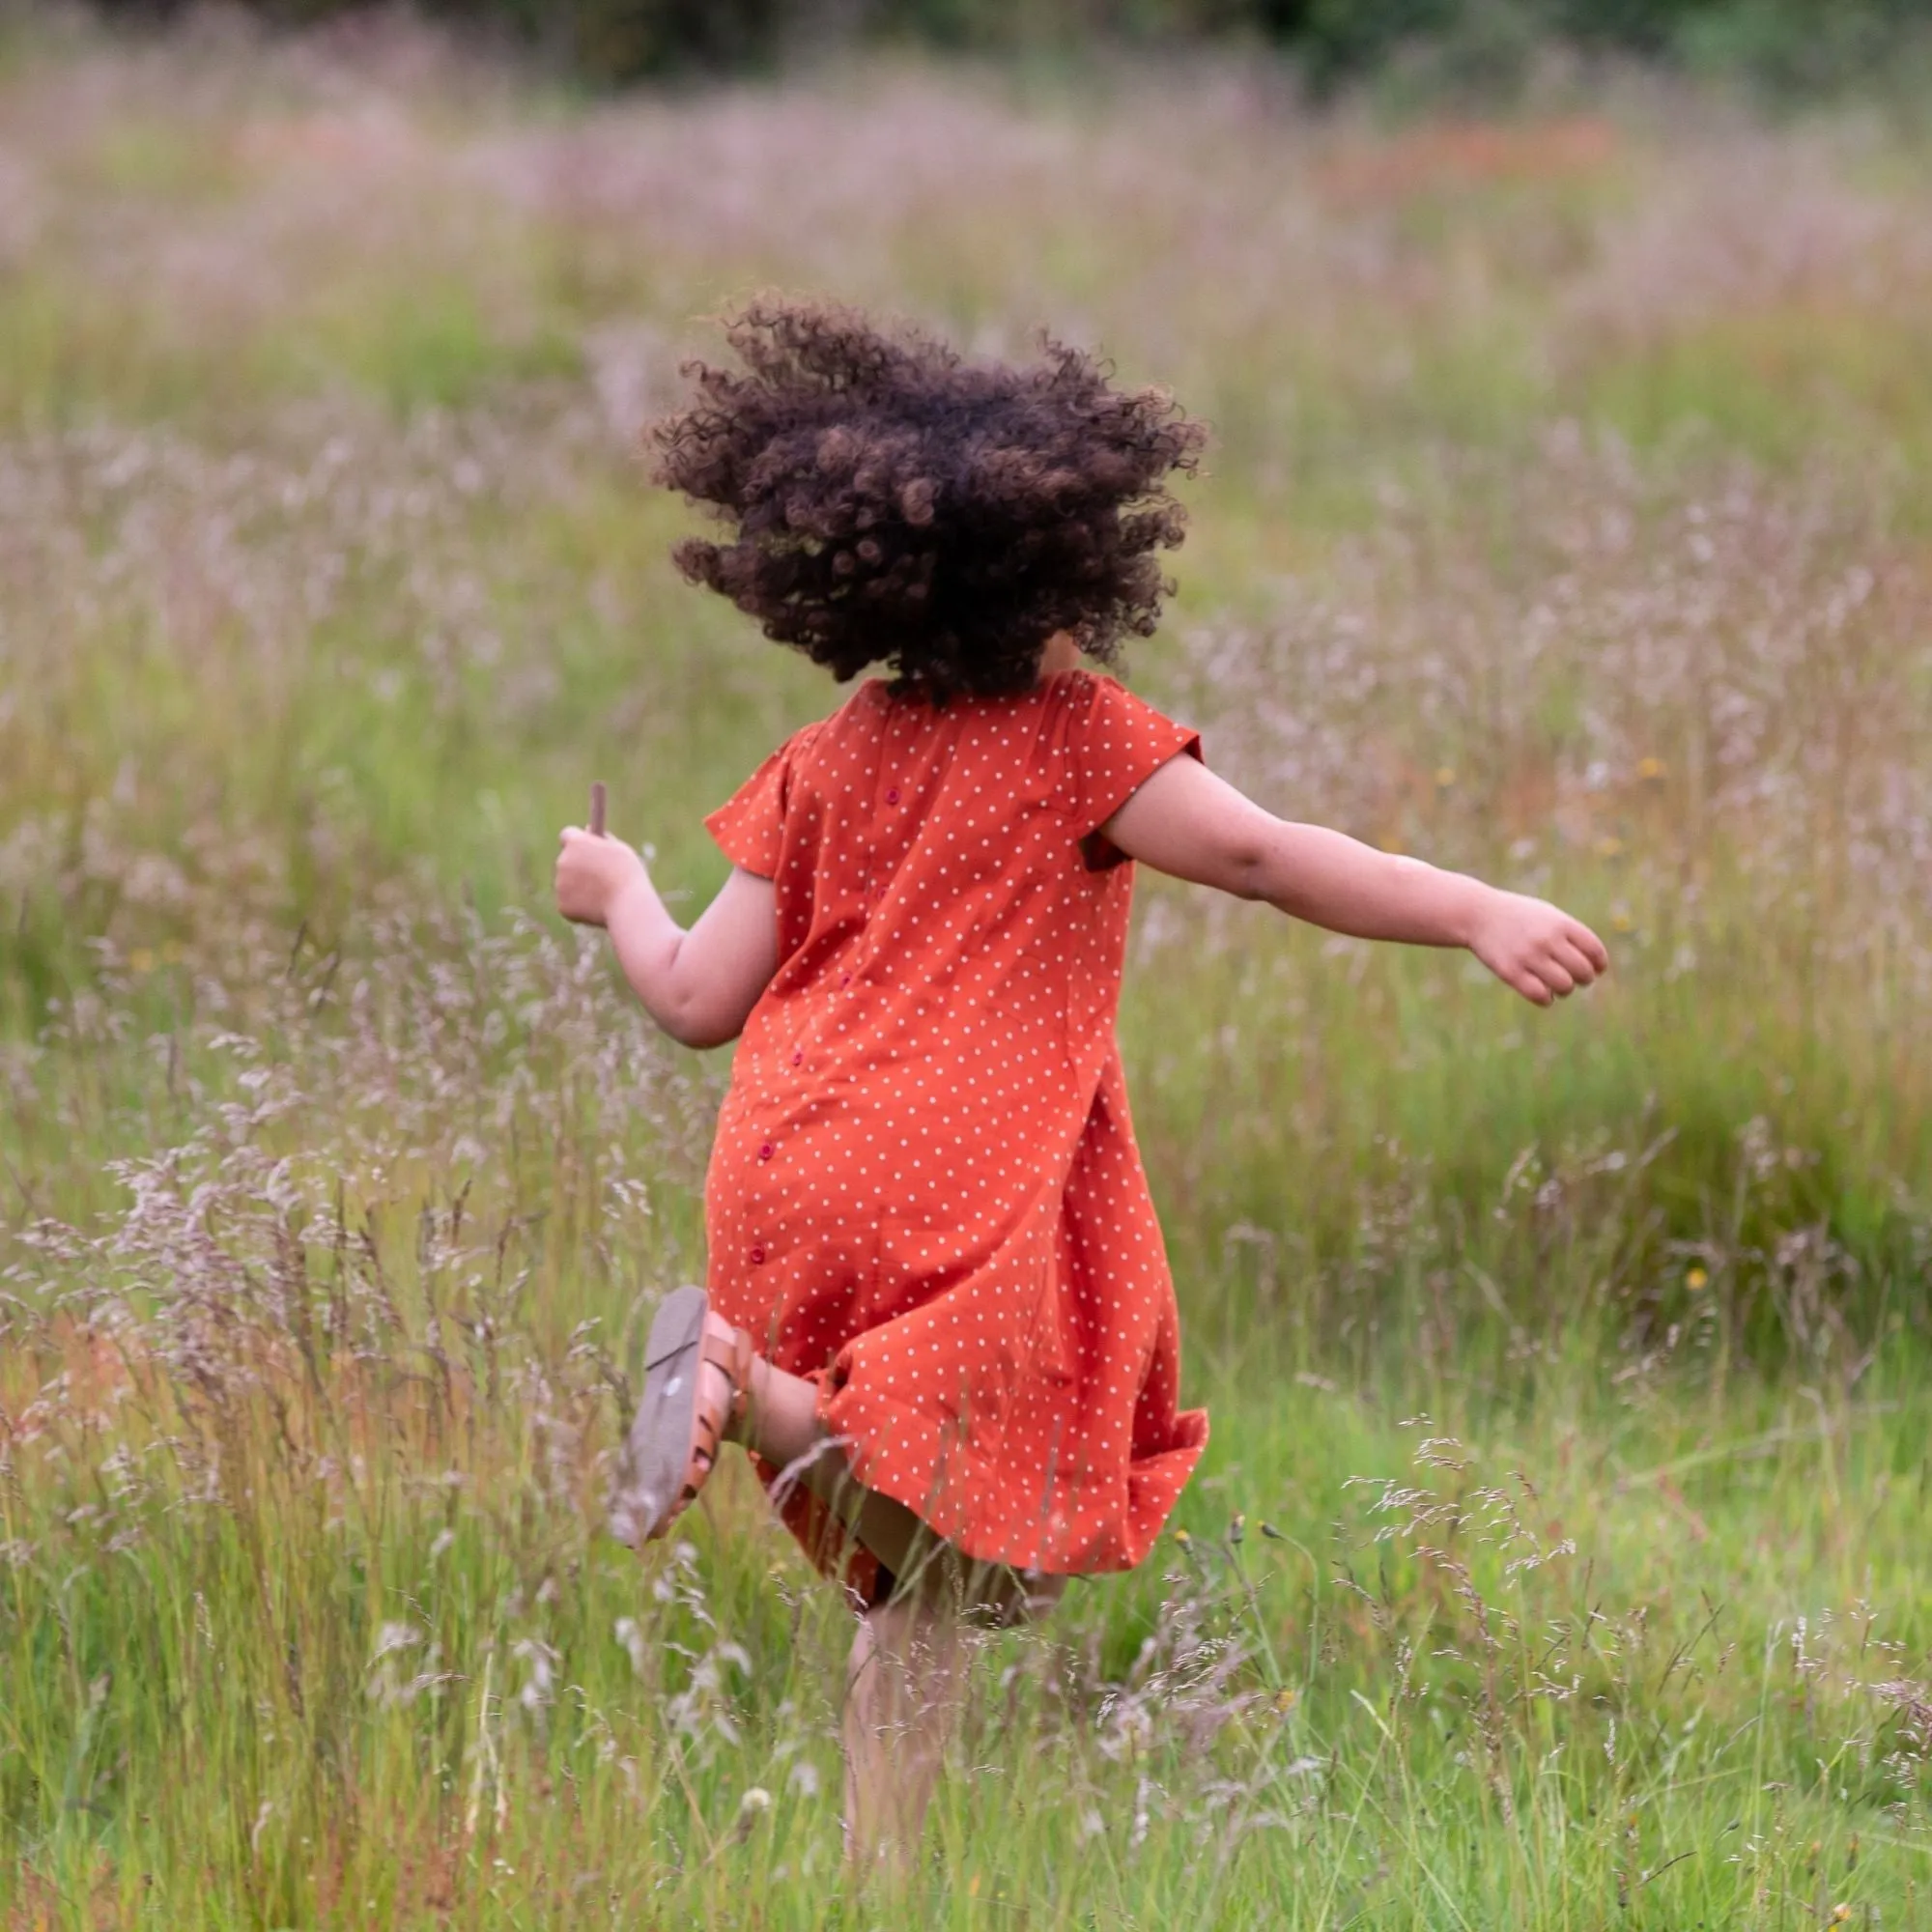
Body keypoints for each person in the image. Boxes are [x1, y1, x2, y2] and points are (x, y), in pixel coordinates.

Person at [554, 297, 1608, 1873]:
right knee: (975, 1508)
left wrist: (619, 888)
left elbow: (697, 998)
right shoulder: (1079, 743)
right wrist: (1473, 907)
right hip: (957, 1185)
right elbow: (1263, 856)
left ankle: (878, 1878)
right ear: (1072, 572)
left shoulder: (831, 753)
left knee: (933, 1569)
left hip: (788, 1157)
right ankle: (744, 1387)